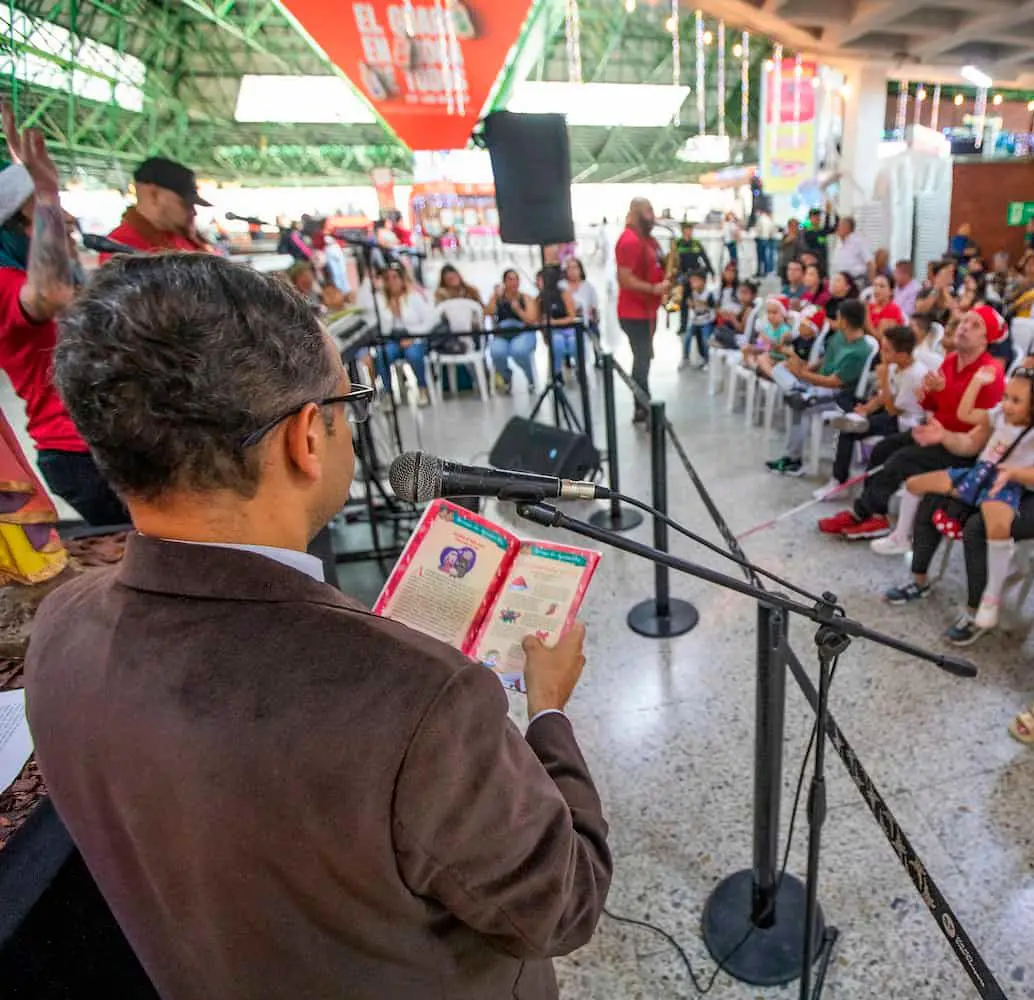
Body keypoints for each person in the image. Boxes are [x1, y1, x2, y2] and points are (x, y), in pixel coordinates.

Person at [26, 252, 612, 1000]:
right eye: (348, 402)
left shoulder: (61, 626)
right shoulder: (419, 701)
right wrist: (550, 711)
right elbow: (567, 902)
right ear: (307, 437)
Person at [0, 105, 128, 526]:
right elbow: (51, 292)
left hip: (100, 443)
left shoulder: (28, 270)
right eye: (47, 213)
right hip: (79, 453)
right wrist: (45, 195)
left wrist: (28, 176)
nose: (68, 220)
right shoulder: (5, 284)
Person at [819, 305, 1007, 540]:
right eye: (964, 321)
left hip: (960, 446)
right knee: (882, 449)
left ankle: (864, 514)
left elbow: (977, 425)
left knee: (900, 460)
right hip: (933, 431)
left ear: (986, 338)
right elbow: (931, 405)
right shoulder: (950, 361)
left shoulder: (990, 374)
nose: (964, 327)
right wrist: (929, 393)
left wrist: (940, 406)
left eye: (975, 325)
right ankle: (874, 514)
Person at [880, 367, 1034, 642]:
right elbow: (970, 438)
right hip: (981, 475)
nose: (1007, 404)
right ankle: (916, 572)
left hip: (1012, 487)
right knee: (929, 494)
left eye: (1015, 400)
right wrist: (945, 436)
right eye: (1006, 397)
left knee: (979, 528)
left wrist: (1014, 474)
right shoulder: (1000, 415)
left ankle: (981, 607)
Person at [816, 324, 927, 499]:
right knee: (849, 425)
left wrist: (882, 379)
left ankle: (840, 482)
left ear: (903, 354)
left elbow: (893, 410)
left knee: (850, 430)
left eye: (887, 350)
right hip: (891, 413)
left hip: (905, 422)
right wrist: (866, 409)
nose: (882, 354)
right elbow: (883, 397)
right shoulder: (894, 366)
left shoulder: (915, 375)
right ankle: (839, 479)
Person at [766, 298, 872, 477]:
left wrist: (802, 375)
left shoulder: (860, 351)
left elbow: (835, 382)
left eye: (838, 318)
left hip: (836, 395)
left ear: (845, 321)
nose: (835, 321)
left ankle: (794, 460)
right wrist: (806, 368)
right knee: (779, 370)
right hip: (815, 382)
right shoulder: (840, 336)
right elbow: (826, 359)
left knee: (800, 406)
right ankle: (798, 390)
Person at [615, 197, 669, 425]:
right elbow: (625, 280)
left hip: (648, 311)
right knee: (642, 360)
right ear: (636, 213)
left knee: (644, 359)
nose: (653, 216)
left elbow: (658, 264)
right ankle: (646, 408)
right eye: (649, 211)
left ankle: (642, 408)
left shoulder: (649, 240)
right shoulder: (629, 241)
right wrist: (654, 288)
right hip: (633, 312)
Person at [105, 157, 212, 256]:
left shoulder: (182, 235)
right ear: (154, 195)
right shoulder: (120, 246)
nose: (193, 212)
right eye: (185, 204)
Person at [368, 262, 436, 407]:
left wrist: (412, 337)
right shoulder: (381, 301)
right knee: (382, 353)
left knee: (413, 354)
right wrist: (391, 310)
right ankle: (388, 393)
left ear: (402, 279)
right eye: (388, 279)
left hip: (414, 337)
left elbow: (428, 323)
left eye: (395, 278)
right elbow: (382, 329)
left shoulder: (414, 297)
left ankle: (423, 388)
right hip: (392, 338)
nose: (392, 282)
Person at [486, 268, 538, 393]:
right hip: (503, 332)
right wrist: (494, 297)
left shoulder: (525, 298)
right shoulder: (498, 298)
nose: (513, 283)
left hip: (523, 331)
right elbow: (488, 312)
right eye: (510, 279)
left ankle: (530, 377)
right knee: (496, 352)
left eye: (516, 279)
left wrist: (519, 310)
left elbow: (532, 319)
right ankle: (506, 377)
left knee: (518, 351)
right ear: (504, 282)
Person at [536, 268, 579, 380]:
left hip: (568, 328)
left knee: (573, 343)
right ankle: (557, 373)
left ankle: (580, 370)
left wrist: (554, 322)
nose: (538, 283)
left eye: (541, 280)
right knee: (558, 344)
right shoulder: (540, 299)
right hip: (553, 331)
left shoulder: (563, 294)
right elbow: (539, 319)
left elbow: (572, 316)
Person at [563, 257, 601, 366]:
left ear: (580, 269)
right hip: (568, 320)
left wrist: (594, 318)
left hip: (586, 320)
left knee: (595, 331)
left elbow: (594, 308)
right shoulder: (562, 287)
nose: (572, 271)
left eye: (575, 267)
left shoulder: (588, 287)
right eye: (569, 268)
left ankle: (598, 357)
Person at [680, 271, 714, 371]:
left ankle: (707, 360)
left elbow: (711, 307)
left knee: (705, 339)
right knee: (687, 337)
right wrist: (691, 304)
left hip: (706, 321)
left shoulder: (709, 294)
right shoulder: (691, 293)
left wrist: (699, 303)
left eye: (695, 281)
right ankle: (685, 358)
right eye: (692, 281)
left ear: (703, 281)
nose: (693, 283)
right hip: (695, 321)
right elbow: (691, 306)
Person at [830, 216, 871, 285]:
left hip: (857, 281)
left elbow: (870, 263)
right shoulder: (838, 242)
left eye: (840, 225)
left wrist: (871, 284)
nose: (837, 228)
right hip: (841, 281)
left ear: (847, 228)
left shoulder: (859, 241)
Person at [755, 210, 777, 276]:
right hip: (766, 239)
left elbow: (758, 229)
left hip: (761, 239)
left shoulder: (760, 219)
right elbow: (772, 230)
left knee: (760, 257)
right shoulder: (769, 221)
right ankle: (765, 272)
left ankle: (759, 272)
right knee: (765, 257)